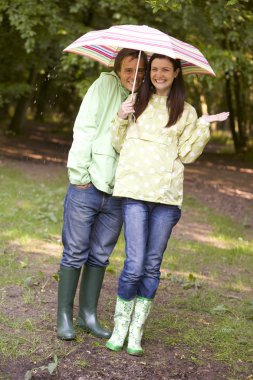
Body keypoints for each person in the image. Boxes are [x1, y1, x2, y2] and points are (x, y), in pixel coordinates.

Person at [106, 53, 229, 355]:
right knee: (133, 265)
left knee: (151, 266)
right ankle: (120, 326)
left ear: (176, 73)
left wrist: (203, 125)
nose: (159, 74)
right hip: (134, 193)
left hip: (166, 199)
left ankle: (136, 331)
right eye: (154, 69)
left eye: (165, 70)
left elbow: (187, 154)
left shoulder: (185, 111)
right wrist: (121, 117)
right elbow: (118, 143)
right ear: (148, 73)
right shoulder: (136, 102)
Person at [57, 48, 148, 341]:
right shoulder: (104, 85)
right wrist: (78, 174)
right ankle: (64, 317)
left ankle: (88, 316)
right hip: (90, 183)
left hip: (120, 191)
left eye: (140, 71)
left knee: (99, 255)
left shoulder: (146, 97)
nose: (135, 76)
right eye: (129, 69)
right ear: (117, 67)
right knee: (74, 252)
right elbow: (84, 127)